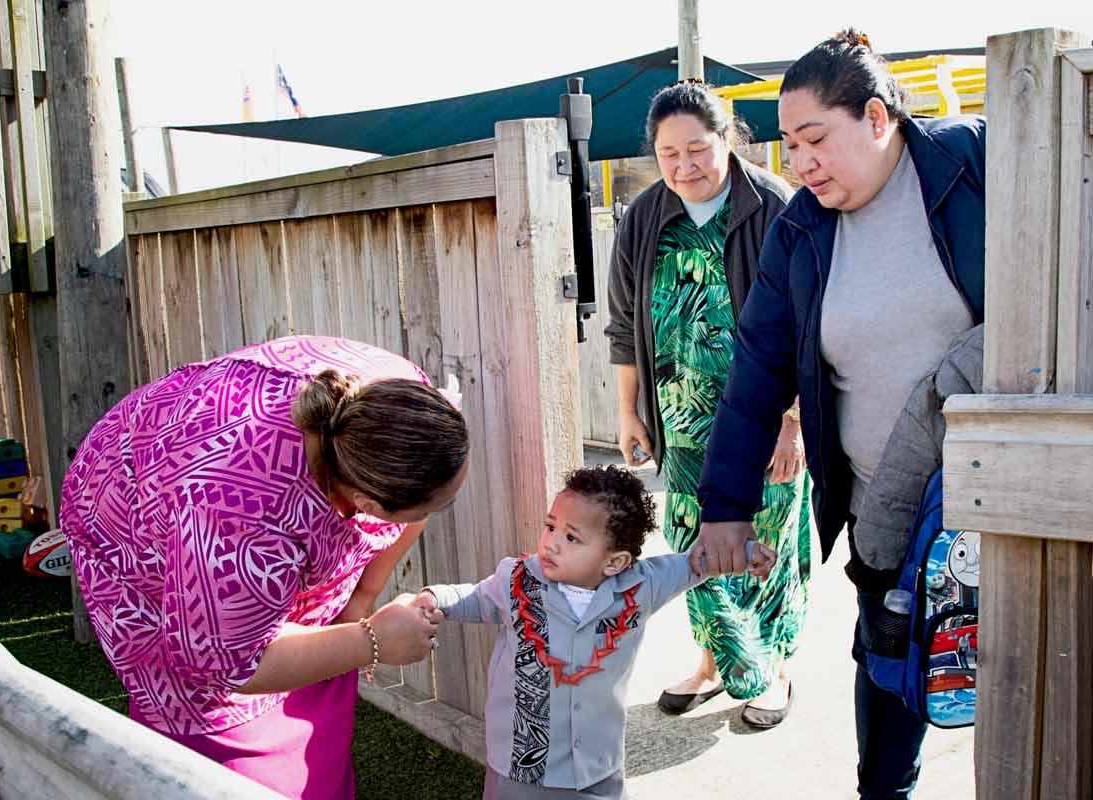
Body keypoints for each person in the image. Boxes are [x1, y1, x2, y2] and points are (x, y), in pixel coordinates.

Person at [689, 29, 986, 798]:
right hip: (875, 504)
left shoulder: (969, 163)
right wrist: (726, 506)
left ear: (878, 118)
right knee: (888, 668)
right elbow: (757, 368)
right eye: (789, 145)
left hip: (993, 498)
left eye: (816, 138)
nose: (801, 164)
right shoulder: (802, 229)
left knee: (1014, 673)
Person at [60, 335, 470, 800]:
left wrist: (358, 603)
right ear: (366, 501)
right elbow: (230, 664)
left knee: (323, 657)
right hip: (132, 511)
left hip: (226, 484)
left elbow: (412, 513)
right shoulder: (241, 518)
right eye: (435, 505)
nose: (437, 514)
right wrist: (371, 640)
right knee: (221, 748)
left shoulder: (396, 408)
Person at [605, 80, 810, 726]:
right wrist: (629, 411)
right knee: (692, 539)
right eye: (670, 153)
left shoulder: (775, 206)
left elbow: (810, 322)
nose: (685, 166)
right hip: (680, 419)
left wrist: (794, 422)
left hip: (765, 420)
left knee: (766, 538)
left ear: (727, 140)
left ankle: (771, 667)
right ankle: (714, 662)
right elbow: (621, 324)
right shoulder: (642, 218)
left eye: (698, 148)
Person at [414, 465, 776, 800]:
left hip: (596, 766)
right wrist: (434, 599)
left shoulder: (642, 586)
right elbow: (474, 598)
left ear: (615, 561)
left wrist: (746, 553)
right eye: (550, 526)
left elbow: (697, 564)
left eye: (572, 537)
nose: (552, 542)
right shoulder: (516, 580)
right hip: (520, 765)